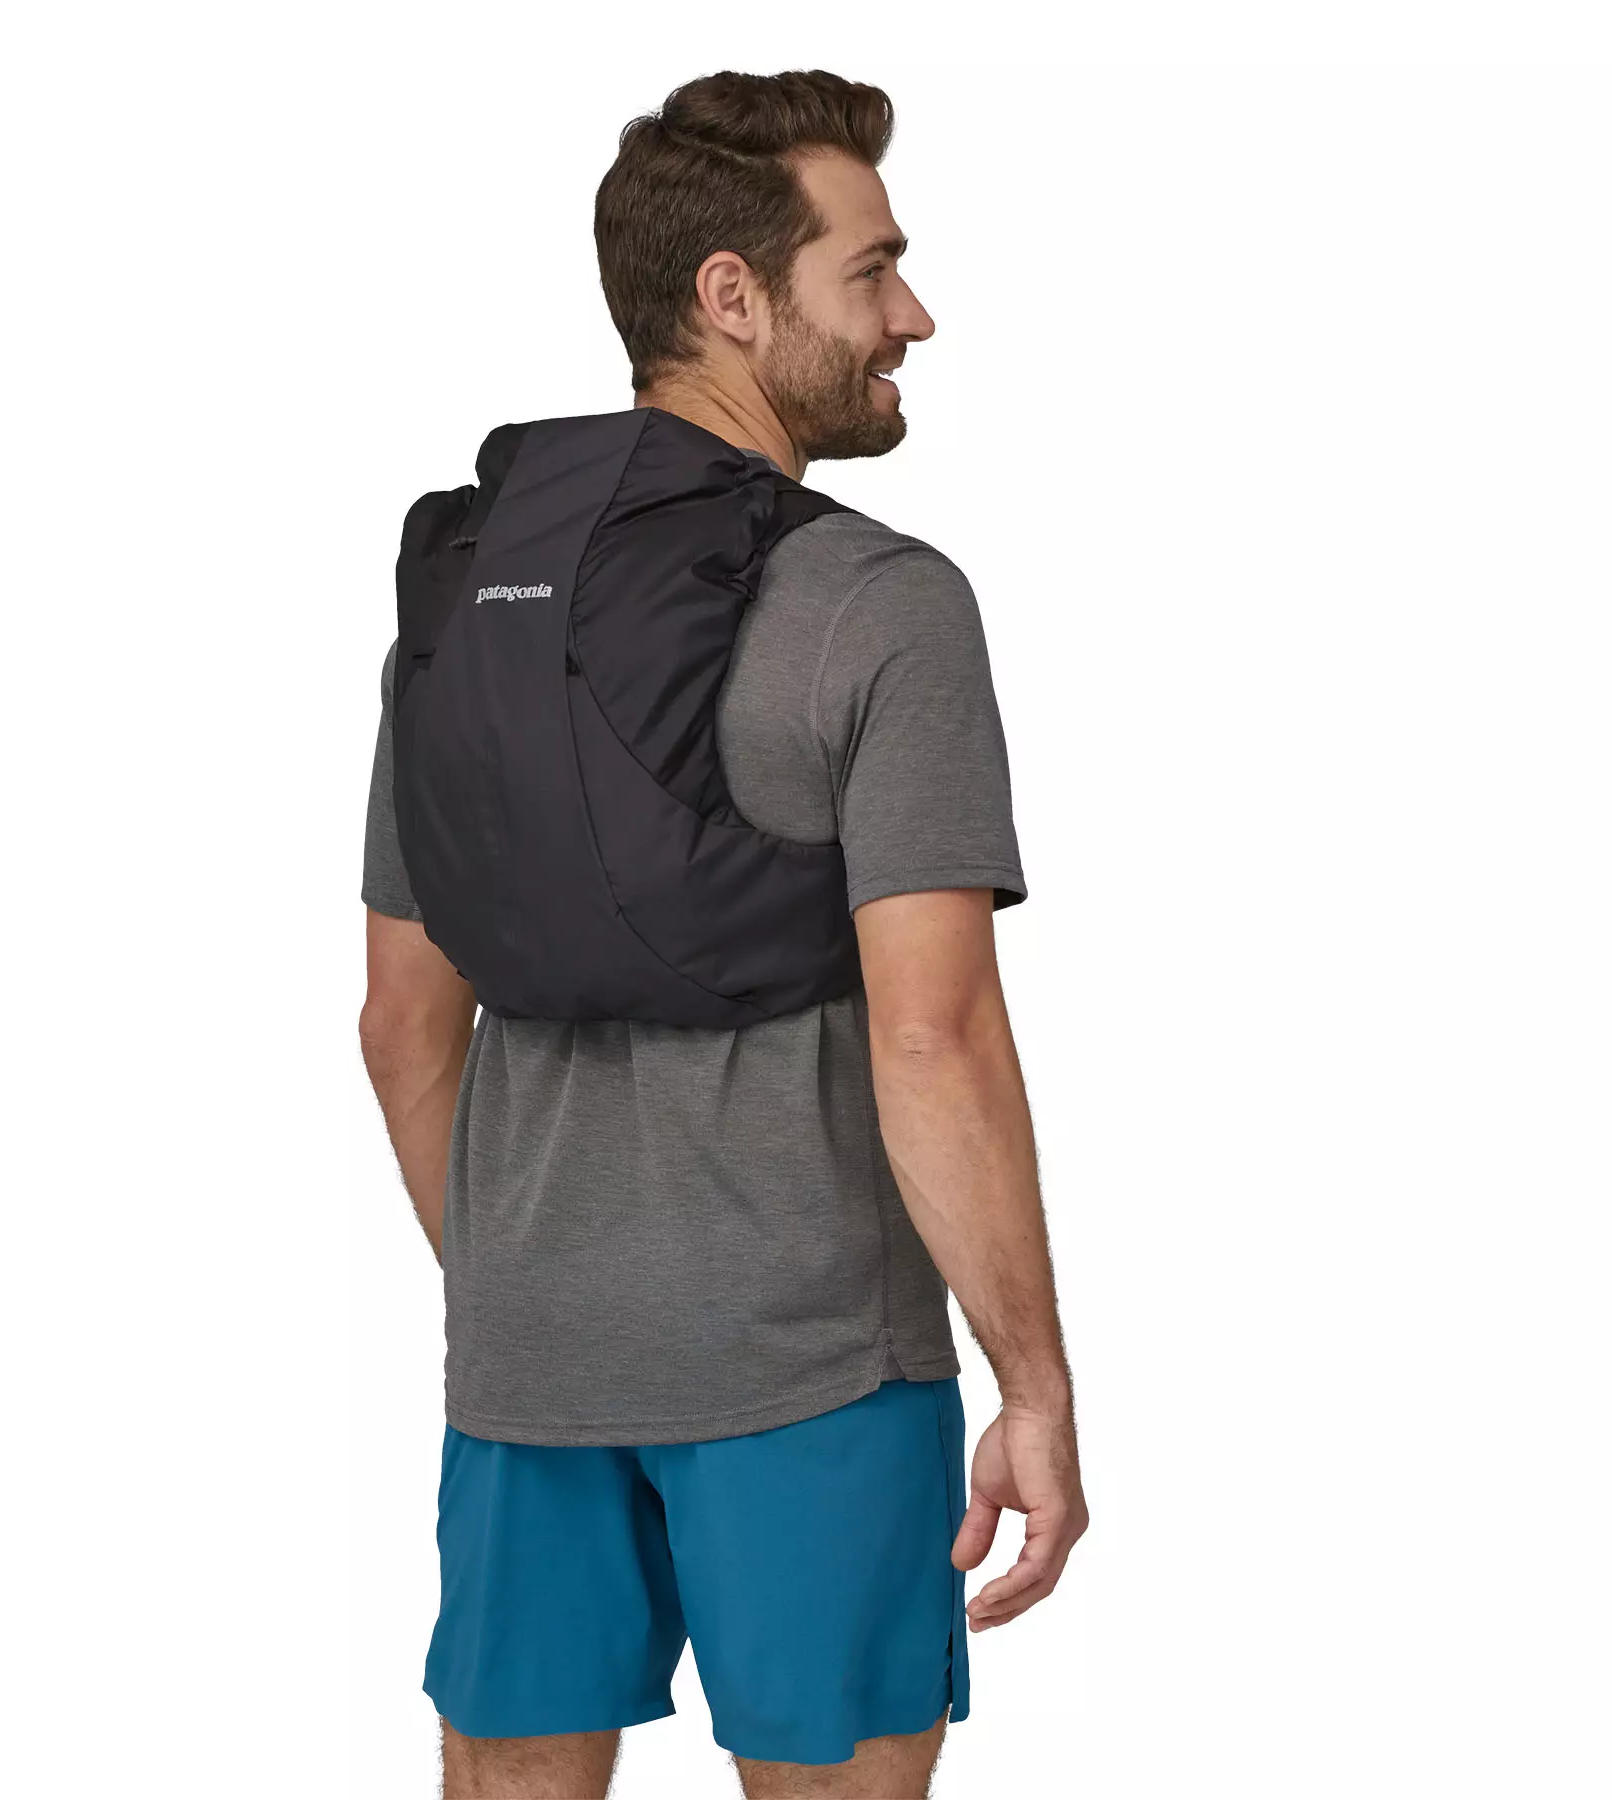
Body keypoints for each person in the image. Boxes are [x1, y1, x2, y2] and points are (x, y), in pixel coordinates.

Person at [359, 68, 1088, 1800]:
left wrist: (538, 1301)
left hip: (524, 1374)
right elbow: (933, 1038)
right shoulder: (883, 604)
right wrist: (1034, 1387)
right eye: (873, 270)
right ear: (732, 296)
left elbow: (399, 1025)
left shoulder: (469, 593)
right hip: (809, 1365)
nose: (913, 315)